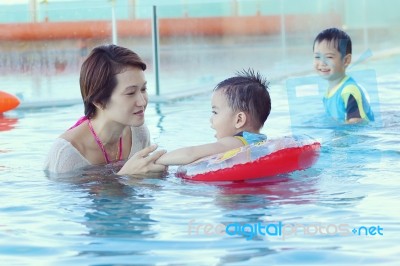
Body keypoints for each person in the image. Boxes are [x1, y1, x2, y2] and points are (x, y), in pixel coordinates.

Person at [44, 44, 166, 175]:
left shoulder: (138, 133)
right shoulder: (66, 155)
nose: (142, 101)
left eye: (143, 89)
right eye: (130, 93)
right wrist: (124, 176)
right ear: (99, 101)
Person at [155, 69, 271, 166]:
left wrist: (156, 160)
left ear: (239, 120)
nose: (211, 119)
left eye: (215, 112)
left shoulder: (236, 142)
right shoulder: (261, 143)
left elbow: (190, 153)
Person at [313, 27, 374, 124]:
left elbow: (356, 124)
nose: (322, 63)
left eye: (329, 57)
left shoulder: (349, 91)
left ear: (346, 60)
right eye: (317, 57)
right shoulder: (329, 92)